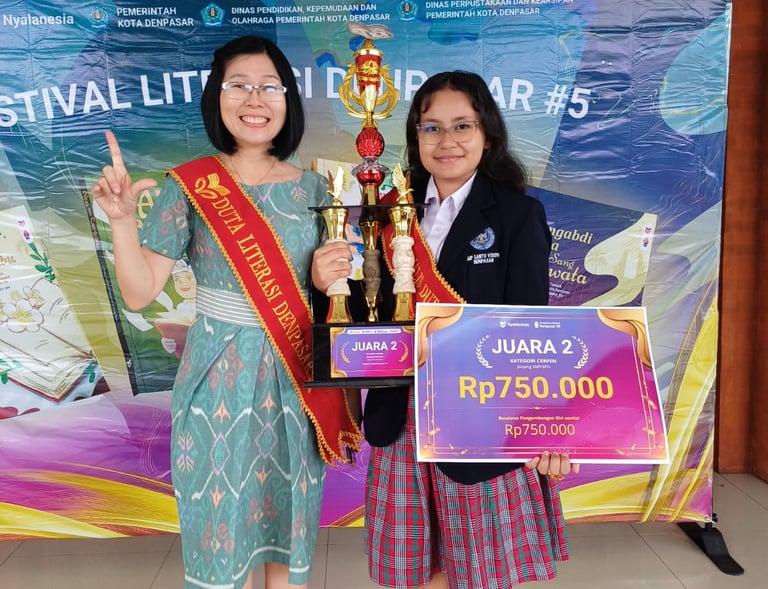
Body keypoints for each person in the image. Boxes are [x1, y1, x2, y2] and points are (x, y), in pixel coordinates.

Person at [91, 35, 361, 589]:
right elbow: (140, 293)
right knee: (219, 525)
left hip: (294, 374)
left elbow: (332, 296)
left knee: (288, 519)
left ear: (288, 100)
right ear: (217, 97)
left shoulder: (316, 188)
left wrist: (323, 281)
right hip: (217, 377)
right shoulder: (190, 185)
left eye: (269, 87)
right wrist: (121, 221)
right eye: (239, 86)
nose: (254, 99)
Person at [312, 71, 579, 589]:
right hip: (401, 412)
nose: (446, 140)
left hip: (482, 418)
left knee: (478, 570)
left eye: (462, 126)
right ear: (415, 137)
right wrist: (329, 283)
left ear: (488, 135)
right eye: (431, 127)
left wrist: (547, 427)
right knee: (417, 569)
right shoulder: (386, 212)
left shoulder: (518, 215)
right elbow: (369, 311)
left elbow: (534, 333)